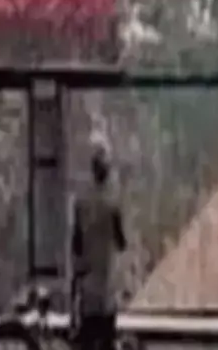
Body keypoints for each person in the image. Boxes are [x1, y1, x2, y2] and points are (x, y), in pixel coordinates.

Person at [72, 133, 127, 350]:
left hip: (88, 283)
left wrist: (78, 267)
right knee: (106, 338)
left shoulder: (81, 198)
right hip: (106, 283)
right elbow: (121, 241)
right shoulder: (112, 199)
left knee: (86, 337)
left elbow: (76, 241)